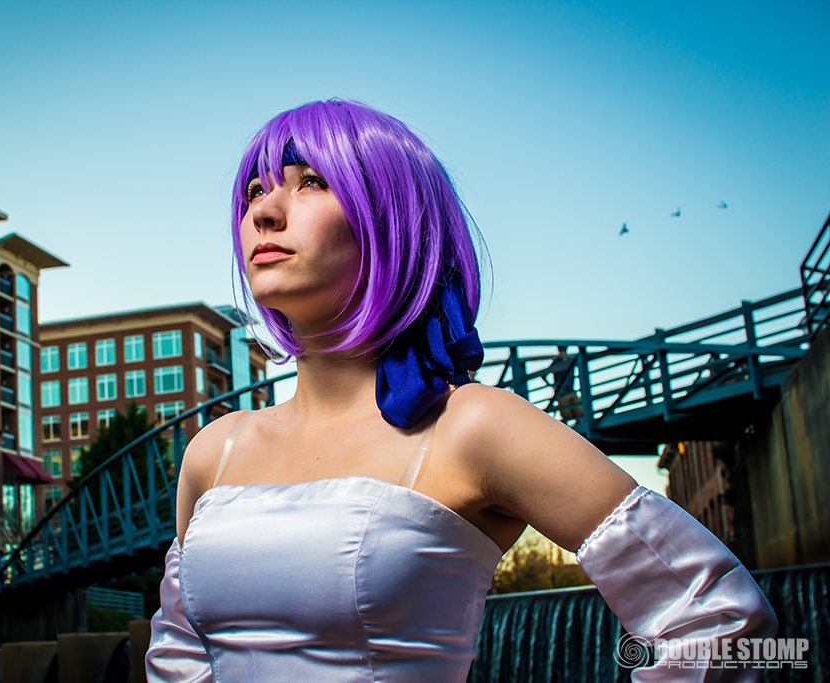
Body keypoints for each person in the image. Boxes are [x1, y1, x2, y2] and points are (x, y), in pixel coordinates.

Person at [145, 100, 777, 682]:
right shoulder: (213, 452)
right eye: (255, 191)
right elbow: (178, 662)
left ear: (392, 219)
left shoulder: (472, 427)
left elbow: (722, 623)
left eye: (311, 181)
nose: (263, 211)